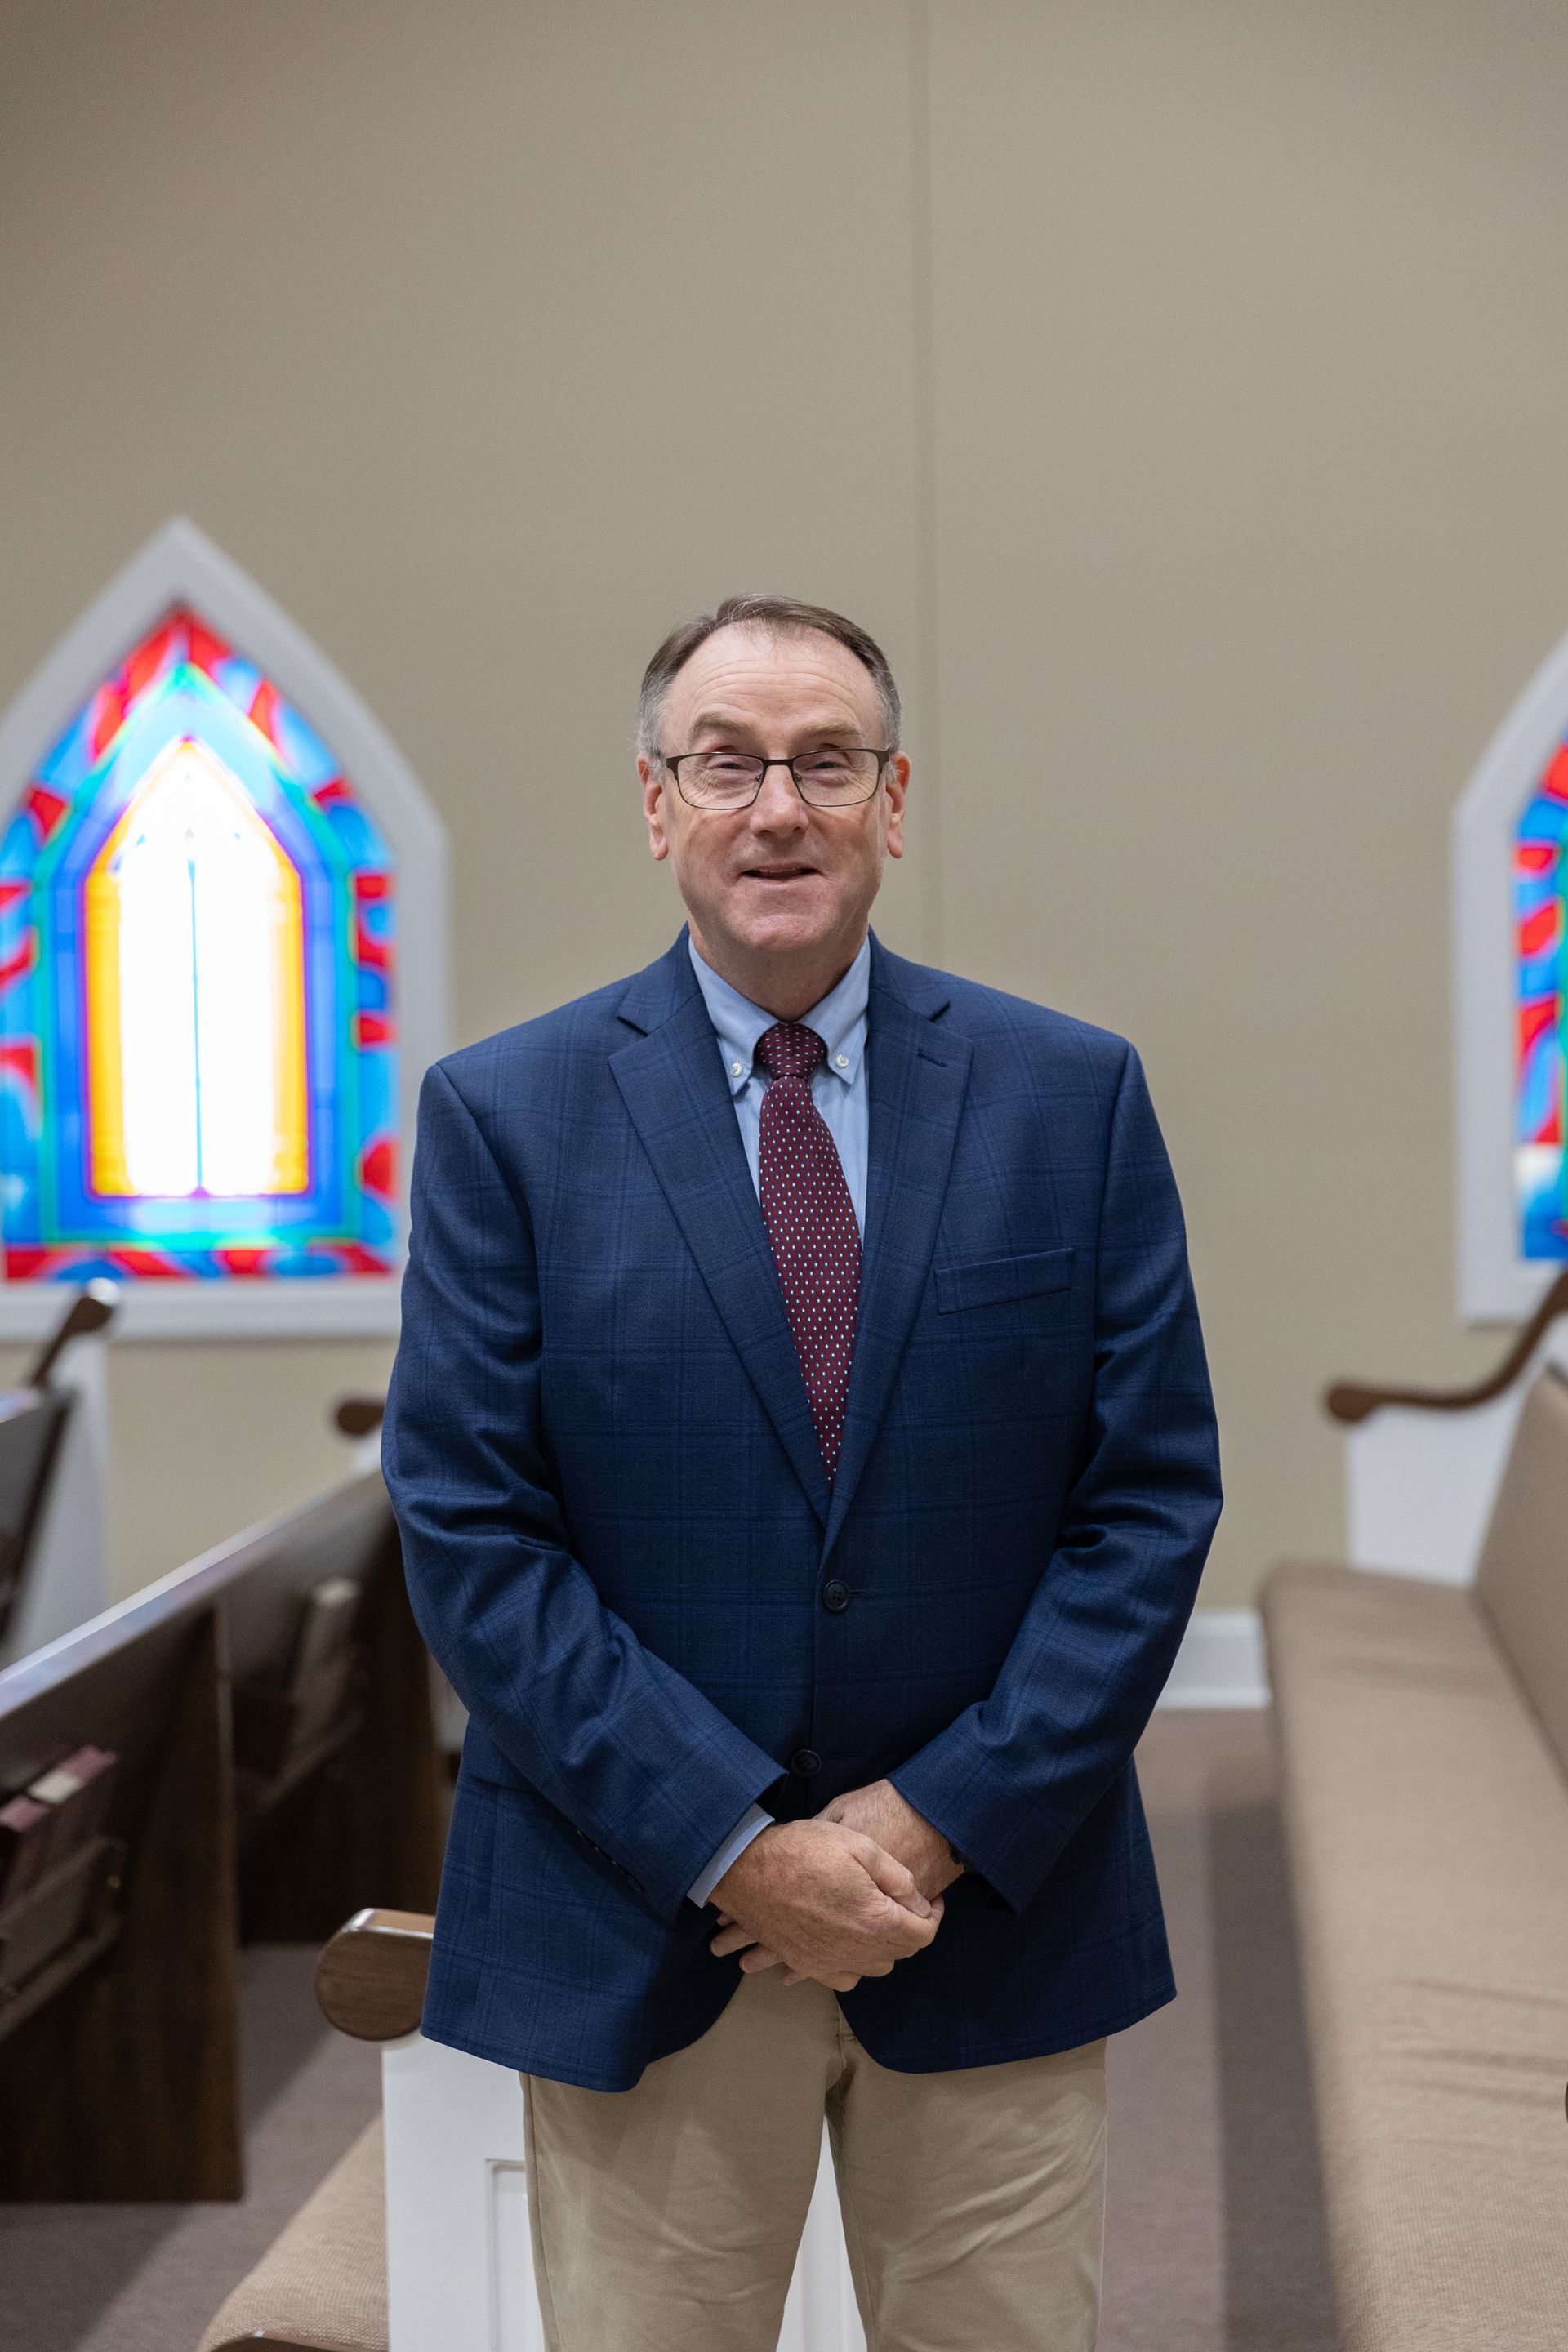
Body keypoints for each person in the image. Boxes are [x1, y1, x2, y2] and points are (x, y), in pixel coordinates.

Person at [383, 594, 1222, 2352]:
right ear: (656, 801)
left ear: (893, 801)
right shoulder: (504, 1118)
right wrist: (736, 1845)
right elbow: (473, 1531)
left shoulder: (1069, 1096)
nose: (779, 806)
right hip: (648, 1922)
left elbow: (1146, 1505)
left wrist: (924, 1826)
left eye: (826, 762)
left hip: (983, 1913)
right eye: (728, 762)